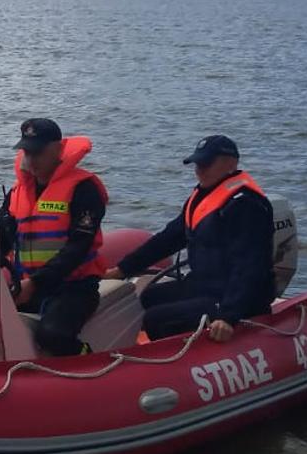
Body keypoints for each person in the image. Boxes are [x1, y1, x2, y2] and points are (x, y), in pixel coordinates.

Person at [105, 135, 274, 342]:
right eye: (197, 163)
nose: (199, 169)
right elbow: (167, 240)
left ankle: (184, 361)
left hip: (237, 296)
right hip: (206, 284)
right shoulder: (204, 196)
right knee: (148, 297)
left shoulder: (246, 205)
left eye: (206, 163)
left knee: (156, 318)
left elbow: (249, 265)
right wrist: (122, 269)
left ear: (231, 164)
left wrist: (228, 315)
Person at [0, 118, 108, 356]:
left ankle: (88, 357)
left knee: (53, 335)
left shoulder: (84, 190)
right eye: (27, 151)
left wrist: (36, 283)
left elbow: (78, 248)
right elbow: (0, 239)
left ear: (58, 150)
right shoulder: (18, 193)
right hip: (27, 285)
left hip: (74, 288)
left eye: (38, 152)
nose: (31, 159)